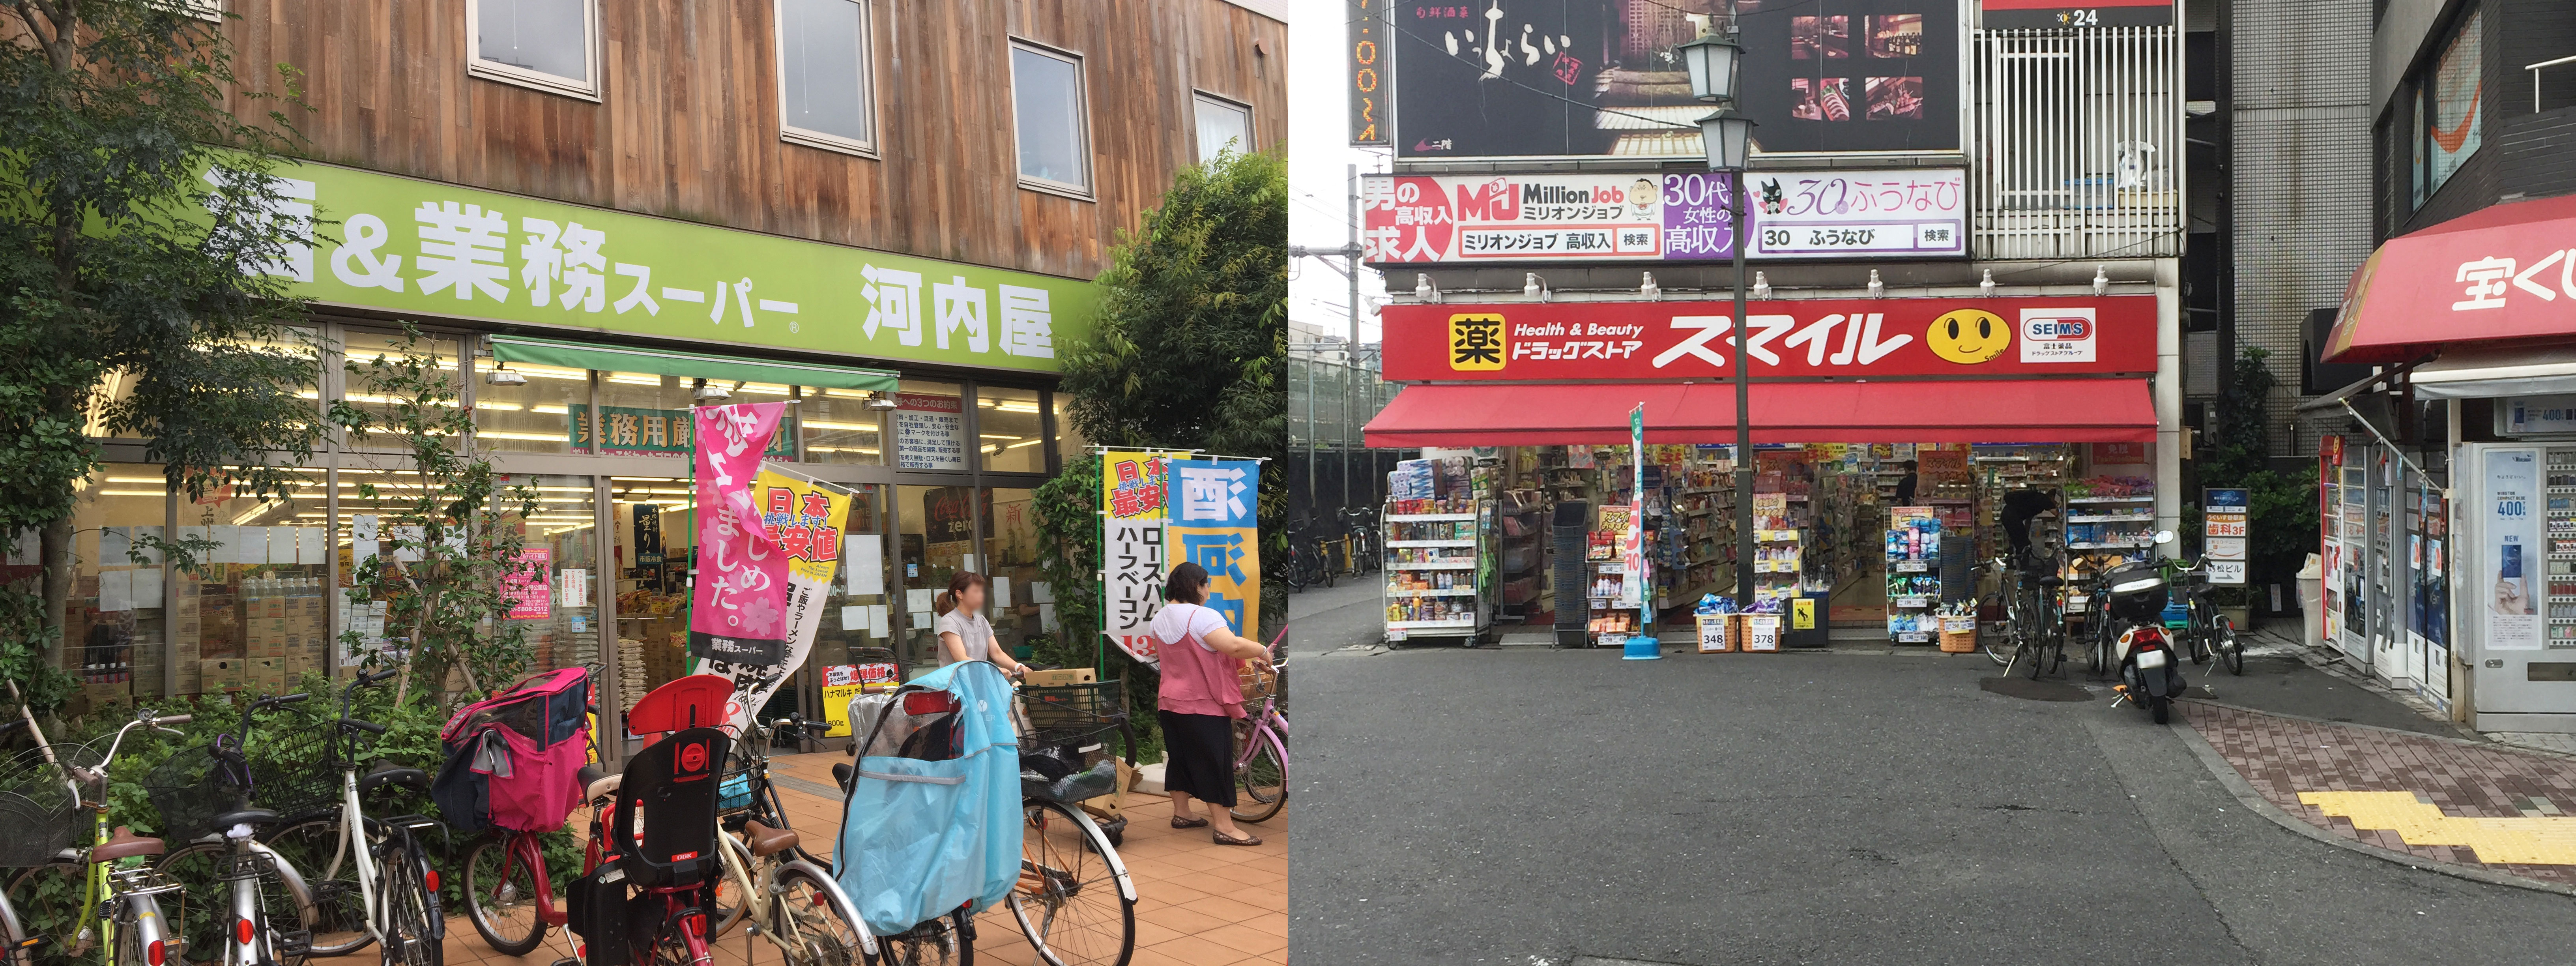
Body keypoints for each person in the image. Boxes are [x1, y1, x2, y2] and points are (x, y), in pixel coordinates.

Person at [1152, 561, 1273, 846]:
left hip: (1170, 700)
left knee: (1180, 758)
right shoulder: (1202, 616)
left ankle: (1182, 813)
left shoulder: (1160, 618)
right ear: (1197, 586)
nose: (1208, 590)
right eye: (1206, 585)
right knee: (1213, 762)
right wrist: (1261, 650)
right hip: (1203, 702)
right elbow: (1230, 646)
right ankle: (1224, 827)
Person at [934, 571, 1030, 677]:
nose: (982, 595)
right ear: (959, 594)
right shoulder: (950, 621)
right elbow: (962, 659)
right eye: (976, 591)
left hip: (980, 682)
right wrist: (993, 670)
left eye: (982, 591)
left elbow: (997, 653)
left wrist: (1019, 667)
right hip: (955, 687)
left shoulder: (981, 620)